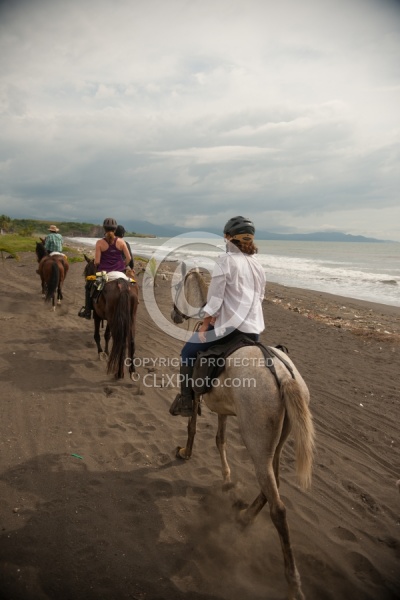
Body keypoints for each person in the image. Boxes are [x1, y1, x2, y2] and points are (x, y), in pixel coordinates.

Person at [169, 216, 266, 417]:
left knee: (187, 352)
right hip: (254, 331)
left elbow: (214, 299)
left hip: (230, 330)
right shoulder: (257, 264)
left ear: (230, 238)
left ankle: (187, 401)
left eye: (226, 237)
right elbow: (260, 297)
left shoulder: (225, 261)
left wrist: (205, 325)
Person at [78, 217, 132, 319]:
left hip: (104, 274)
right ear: (115, 230)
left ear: (104, 229)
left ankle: (88, 311)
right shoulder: (121, 242)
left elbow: (97, 261)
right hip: (120, 273)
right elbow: (129, 258)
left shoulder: (100, 243)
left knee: (88, 287)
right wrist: (122, 265)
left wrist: (97, 264)